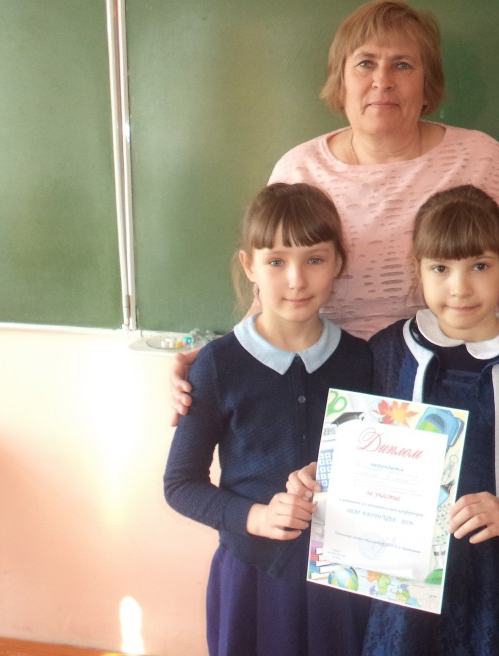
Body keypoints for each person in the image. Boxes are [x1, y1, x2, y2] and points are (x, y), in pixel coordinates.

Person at [170, 0, 499, 459]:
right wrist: (211, 366)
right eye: (365, 64)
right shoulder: (299, 170)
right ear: (341, 80)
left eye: (402, 65)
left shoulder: (481, 160)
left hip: (456, 394)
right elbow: (269, 299)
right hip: (326, 394)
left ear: (427, 83)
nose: (382, 81)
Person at [290, 185, 499, 655]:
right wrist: (327, 476)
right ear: (418, 269)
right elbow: (360, 449)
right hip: (405, 601)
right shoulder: (387, 354)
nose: (460, 287)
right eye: (440, 268)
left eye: (479, 266)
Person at [163, 183, 372, 656]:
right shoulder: (218, 365)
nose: (296, 280)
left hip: (342, 581)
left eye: (314, 259)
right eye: (276, 261)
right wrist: (255, 517)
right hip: (252, 577)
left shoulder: (362, 360)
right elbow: (180, 484)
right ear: (249, 266)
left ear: (339, 262)